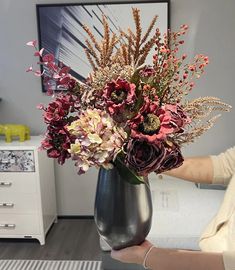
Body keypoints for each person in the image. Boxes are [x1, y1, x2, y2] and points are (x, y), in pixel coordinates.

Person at [111, 147, 235, 270]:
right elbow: (224, 166)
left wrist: (148, 256)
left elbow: (229, 264)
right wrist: (151, 161)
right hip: (212, 250)